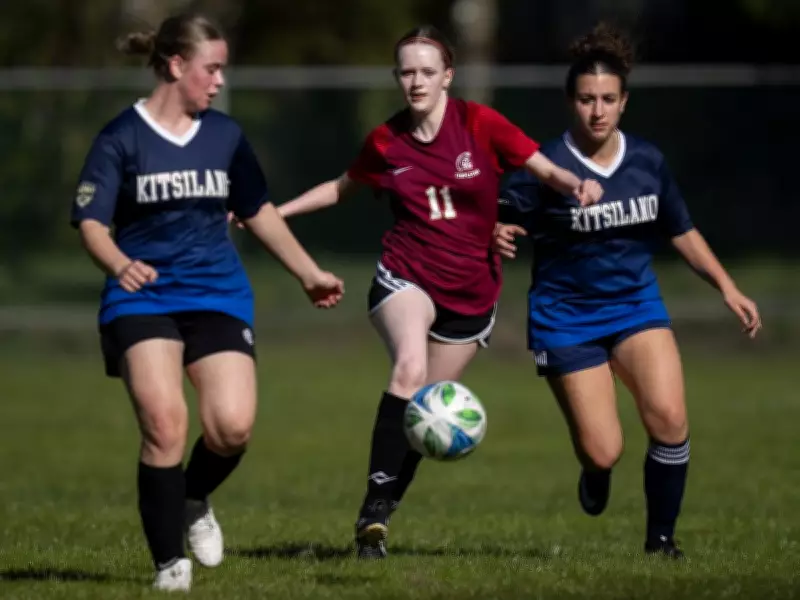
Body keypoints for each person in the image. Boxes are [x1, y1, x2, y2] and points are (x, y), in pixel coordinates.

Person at [276, 24, 603, 559]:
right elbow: (339, 189)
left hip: (473, 295)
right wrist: (273, 214)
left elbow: (542, 168)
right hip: (407, 275)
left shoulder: (479, 123)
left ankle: (375, 515)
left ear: (448, 76)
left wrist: (576, 185)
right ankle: (372, 522)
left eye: (428, 71)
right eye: (407, 71)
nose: (416, 81)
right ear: (397, 78)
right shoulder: (386, 141)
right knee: (408, 371)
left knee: (424, 415)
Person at [70, 13, 344, 591]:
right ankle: (170, 564)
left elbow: (258, 212)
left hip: (217, 294)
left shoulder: (225, 137)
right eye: (211, 68)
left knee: (231, 428)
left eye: (222, 69)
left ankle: (194, 496)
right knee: (166, 424)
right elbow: (91, 224)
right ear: (176, 66)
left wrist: (308, 273)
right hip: (141, 298)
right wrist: (120, 263)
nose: (218, 80)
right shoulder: (121, 137)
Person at [494, 22, 762, 558]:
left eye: (608, 99)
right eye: (588, 99)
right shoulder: (543, 167)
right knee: (605, 450)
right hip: (565, 316)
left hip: (636, 306)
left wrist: (727, 287)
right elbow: (487, 212)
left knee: (669, 417)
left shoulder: (647, 162)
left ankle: (660, 543)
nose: (598, 110)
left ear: (624, 103)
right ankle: (594, 471)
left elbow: (680, 230)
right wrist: (493, 229)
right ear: (572, 101)